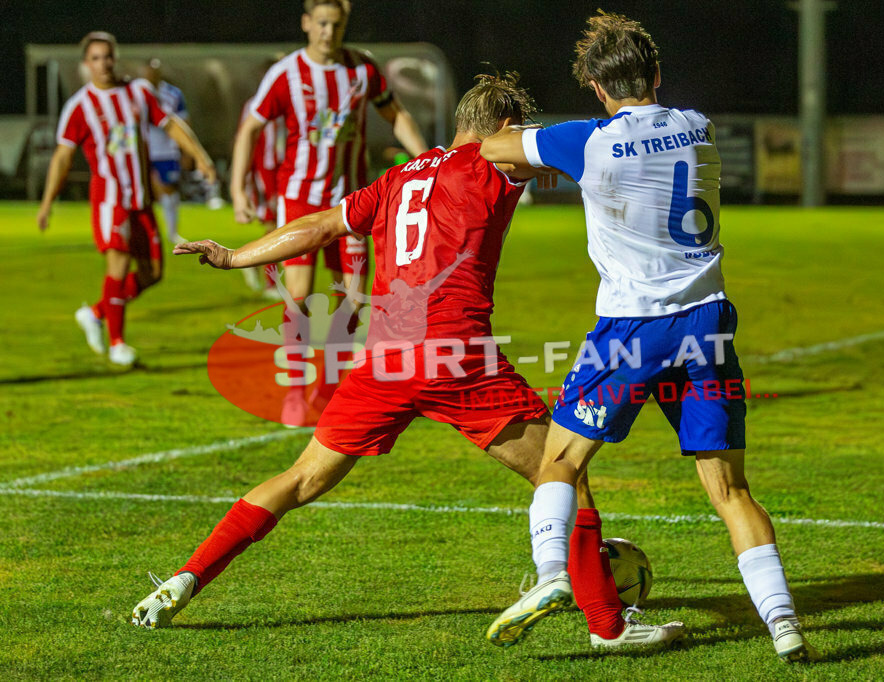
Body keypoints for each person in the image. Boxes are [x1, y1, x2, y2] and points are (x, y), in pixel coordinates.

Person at [131, 74, 624, 642]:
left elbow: (319, 225)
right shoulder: (491, 162)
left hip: (384, 362)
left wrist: (235, 255)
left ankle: (187, 576)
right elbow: (578, 150)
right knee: (562, 469)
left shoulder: (397, 178)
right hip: (455, 355)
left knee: (300, 479)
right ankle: (601, 618)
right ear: (505, 129)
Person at [480, 12, 809, 661]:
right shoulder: (697, 125)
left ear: (598, 88)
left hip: (632, 328)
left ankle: (551, 574)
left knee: (560, 461)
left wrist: (540, 152)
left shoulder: (587, 140)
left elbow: (496, 147)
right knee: (731, 491)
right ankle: (784, 625)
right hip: (707, 323)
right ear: (656, 74)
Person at [229, 0, 429, 423]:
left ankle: (328, 387)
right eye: (321, 23)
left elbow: (395, 114)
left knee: (353, 300)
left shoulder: (362, 69)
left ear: (344, 25)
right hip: (299, 200)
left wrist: (429, 160)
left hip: (352, 204)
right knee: (298, 296)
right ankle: (295, 392)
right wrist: (237, 188)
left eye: (335, 24)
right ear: (306, 23)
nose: (328, 32)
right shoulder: (286, 73)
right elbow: (250, 127)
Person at [37, 31, 216, 367]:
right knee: (118, 265)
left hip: (141, 200)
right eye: (96, 58)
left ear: (114, 58)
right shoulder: (79, 106)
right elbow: (62, 157)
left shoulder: (138, 92)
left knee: (153, 273)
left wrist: (200, 156)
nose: (103, 64)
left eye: (108, 56)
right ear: (86, 64)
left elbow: (171, 125)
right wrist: (47, 203)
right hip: (110, 200)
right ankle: (117, 343)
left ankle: (95, 313)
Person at [237, 62, 286, 299]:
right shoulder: (254, 105)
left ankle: (250, 261)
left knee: (280, 226)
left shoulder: (288, 99)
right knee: (273, 226)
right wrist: (247, 177)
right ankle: (270, 283)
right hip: (266, 173)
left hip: (286, 171)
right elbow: (245, 140)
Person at [142, 58, 189, 245]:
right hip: (143, 151)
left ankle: (172, 232)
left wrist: (186, 151)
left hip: (166, 151)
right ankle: (148, 234)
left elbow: (183, 123)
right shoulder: (137, 93)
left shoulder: (173, 94)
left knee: (169, 191)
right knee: (145, 193)